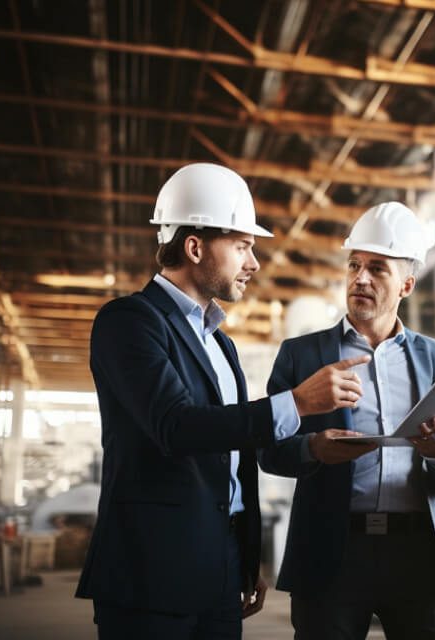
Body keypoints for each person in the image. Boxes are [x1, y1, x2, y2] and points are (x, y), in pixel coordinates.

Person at [76, 163, 370, 639]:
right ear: (194, 247)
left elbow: (235, 454)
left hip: (220, 569)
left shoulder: (221, 343)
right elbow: (176, 426)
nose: (253, 263)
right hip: (151, 575)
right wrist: (294, 403)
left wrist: (244, 553)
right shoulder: (129, 322)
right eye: (242, 246)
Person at [260, 202, 435, 639]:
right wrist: (314, 447)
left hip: (420, 554)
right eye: (354, 264)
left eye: (378, 269)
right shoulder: (301, 356)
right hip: (332, 551)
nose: (360, 278)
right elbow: (269, 450)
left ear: (407, 285)